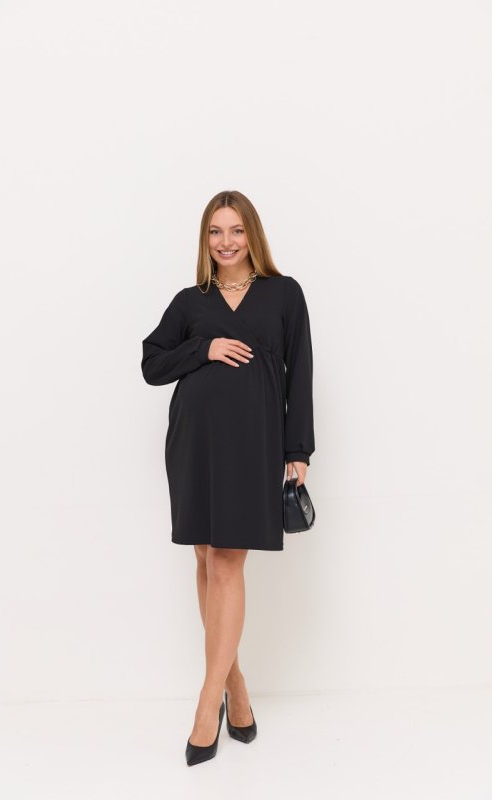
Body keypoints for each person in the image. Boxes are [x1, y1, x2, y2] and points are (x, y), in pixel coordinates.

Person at [141, 189, 315, 766]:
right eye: (215, 232)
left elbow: (300, 371)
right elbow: (151, 363)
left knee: (226, 561)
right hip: (194, 442)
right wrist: (204, 347)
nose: (226, 242)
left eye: (236, 230)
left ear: (252, 234)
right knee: (204, 557)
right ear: (205, 239)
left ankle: (206, 703)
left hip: (253, 444)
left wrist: (298, 448)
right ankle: (236, 691)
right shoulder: (191, 301)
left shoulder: (284, 293)